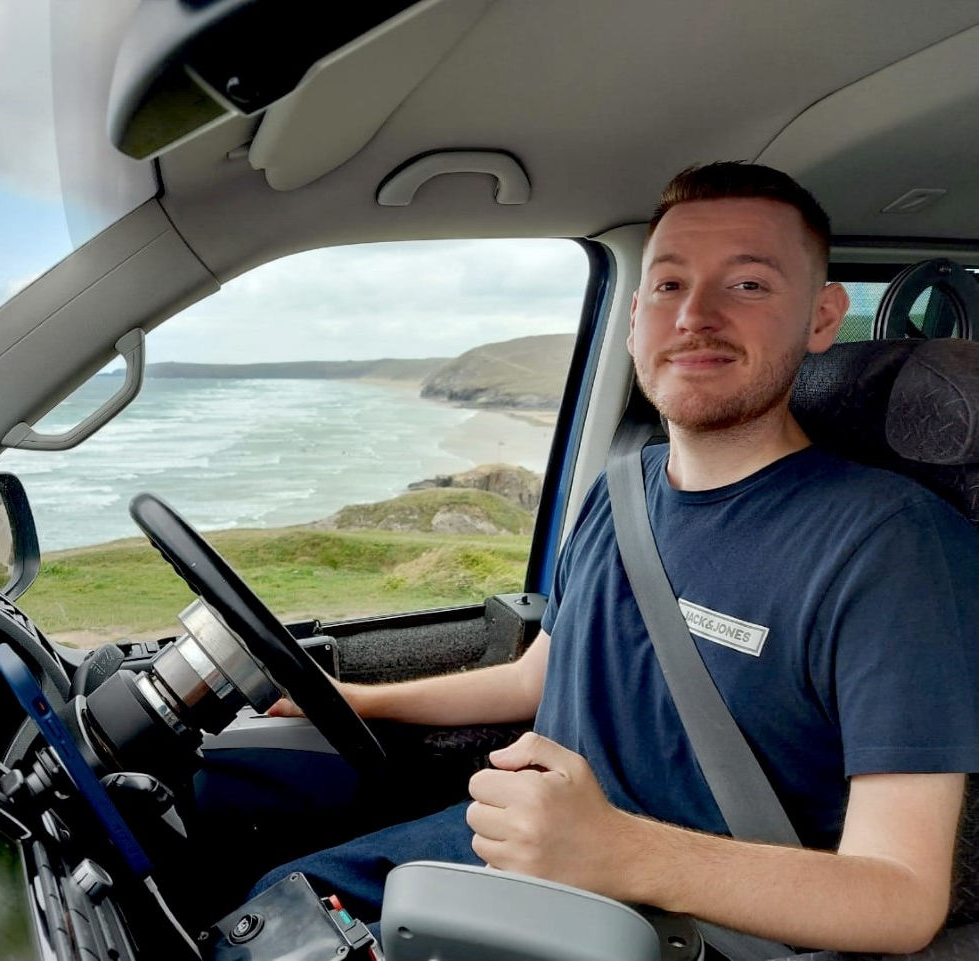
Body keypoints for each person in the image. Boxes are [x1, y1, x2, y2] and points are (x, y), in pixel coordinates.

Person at [255, 162, 979, 955]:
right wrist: (358, 696)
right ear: (634, 317)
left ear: (821, 317)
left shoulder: (892, 546)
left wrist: (618, 851)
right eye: (668, 287)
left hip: (676, 927)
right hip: (520, 862)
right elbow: (539, 676)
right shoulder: (617, 490)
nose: (694, 315)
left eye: (746, 285)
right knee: (267, 914)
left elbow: (901, 896)